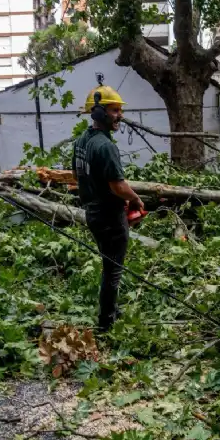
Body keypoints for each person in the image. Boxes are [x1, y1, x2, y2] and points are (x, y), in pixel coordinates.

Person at [73, 78, 144, 332]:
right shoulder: (105, 146)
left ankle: (110, 309)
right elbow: (118, 186)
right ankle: (106, 323)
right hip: (109, 216)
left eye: (119, 110)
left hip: (92, 212)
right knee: (113, 271)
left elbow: (77, 175)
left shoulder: (81, 141)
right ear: (100, 112)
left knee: (108, 266)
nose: (120, 116)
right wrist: (135, 199)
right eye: (115, 110)